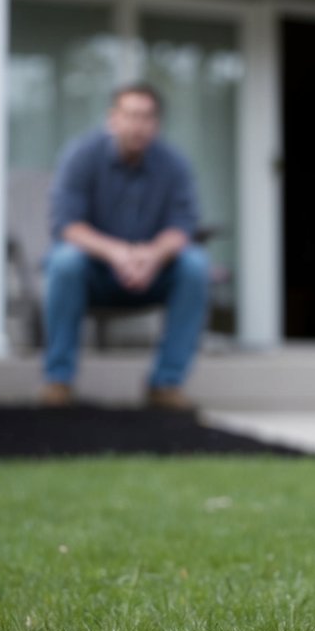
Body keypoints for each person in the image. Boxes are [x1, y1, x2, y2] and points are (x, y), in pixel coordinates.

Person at [40, 82, 209, 409]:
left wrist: (152, 256)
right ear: (112, 119)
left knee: (195, 265)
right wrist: (116, 253)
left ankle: (165, 383)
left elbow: (183, 226)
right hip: (95, 272)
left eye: (146, 117)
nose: (138, 125)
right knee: (63, 262)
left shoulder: (174, 164)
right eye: (130, 115)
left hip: (152, 273)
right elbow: (66, 225)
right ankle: (58, 380)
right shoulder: (81, 156)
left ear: (156, 123)